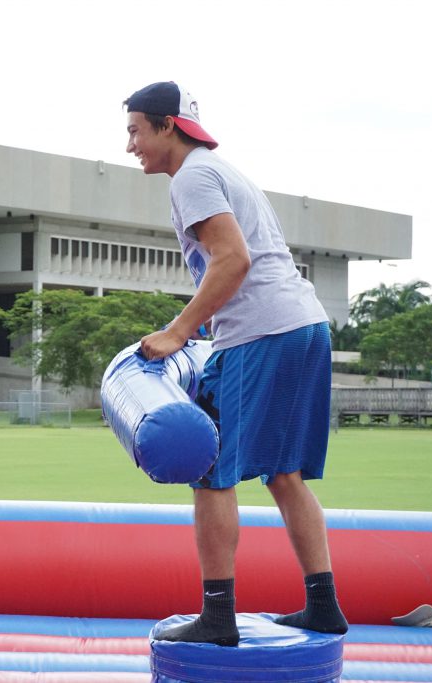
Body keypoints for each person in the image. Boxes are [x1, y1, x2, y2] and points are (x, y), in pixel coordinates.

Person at [123, 82, 348, 646]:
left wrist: (179, 331)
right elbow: (239, 262)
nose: (130, 146)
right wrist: (203, 320)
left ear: (166, 126)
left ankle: (218, 616)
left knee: (210, 469)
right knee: (284, 473)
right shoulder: (220, 170)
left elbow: (233, 259)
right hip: (303, 324)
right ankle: (323, 606)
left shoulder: (193, 177)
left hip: (262, 333)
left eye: (134, 131)